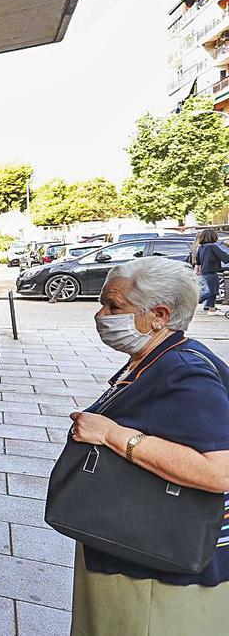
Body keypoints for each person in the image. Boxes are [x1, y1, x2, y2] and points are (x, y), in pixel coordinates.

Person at [67, 256, 229, 635]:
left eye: (114, 306)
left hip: (155, 570)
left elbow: (220, 471)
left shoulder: (185, 372)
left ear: (158, 315)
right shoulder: (160, 357)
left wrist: (111, 434)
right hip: (136, 544)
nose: (100, 315)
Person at [193, 229, 228, 315]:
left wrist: (198, 270)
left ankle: (211, 308)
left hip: (204, 272)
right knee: (213, 291)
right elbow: (225, 258)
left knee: (211, 290)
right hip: (211, 272)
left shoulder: (200, 247)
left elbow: (198, 261)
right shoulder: (212, 246)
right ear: (212, 236)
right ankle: (193, 301)